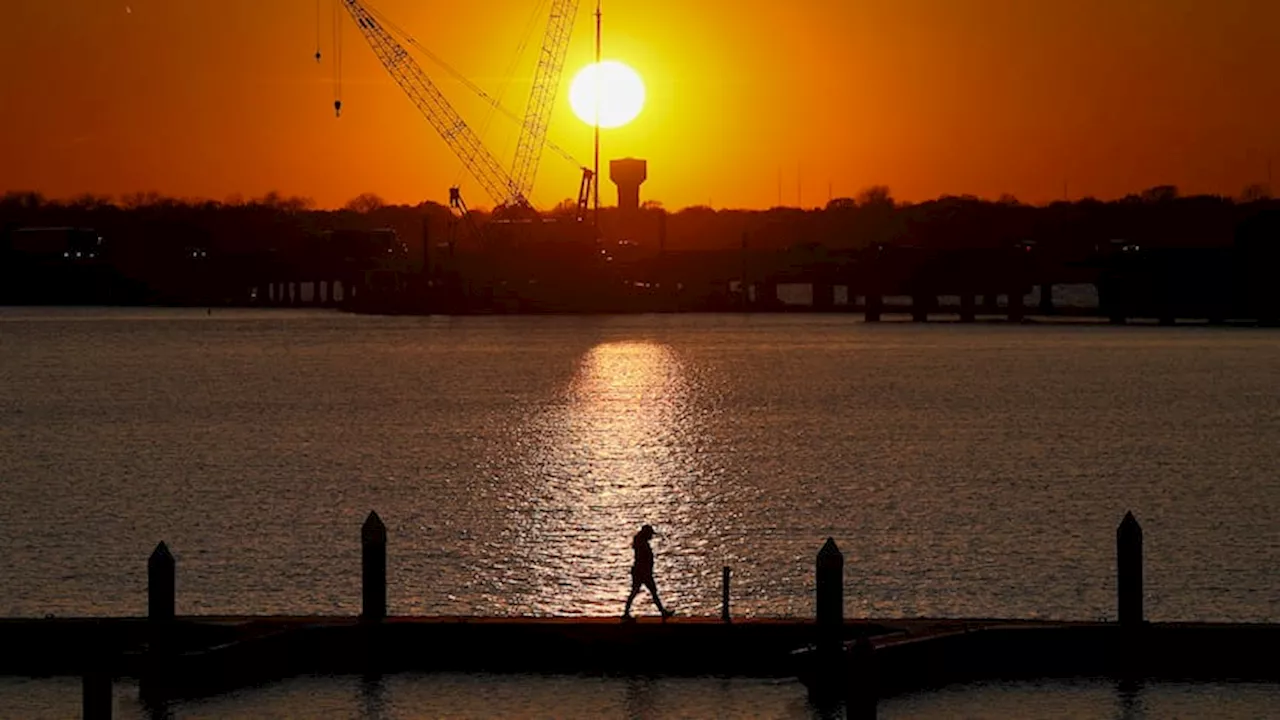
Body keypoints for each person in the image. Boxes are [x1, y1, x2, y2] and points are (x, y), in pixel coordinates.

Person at [623, 524, 674, 621]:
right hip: (643, 572)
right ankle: (662, 612)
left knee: (641, 591)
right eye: (650, 534)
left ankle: (662, 612)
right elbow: (644, 559)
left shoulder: (640, 542)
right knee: (647, 591)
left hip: (641, 571)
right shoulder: (642, 544)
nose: (651, 536)